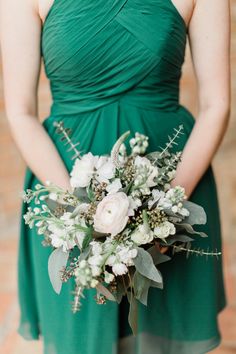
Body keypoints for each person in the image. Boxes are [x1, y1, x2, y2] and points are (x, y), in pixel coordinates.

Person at [0, 0, 231, 353]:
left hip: (175, 185)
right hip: (65, 189)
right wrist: (81, 214)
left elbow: (217, 105)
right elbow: (20, 112)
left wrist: (163, 208)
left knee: (164, 340)